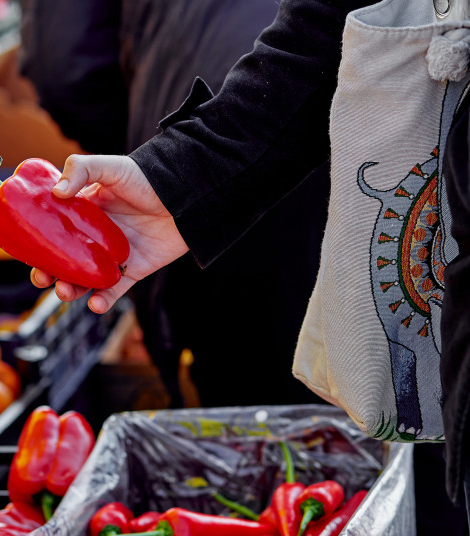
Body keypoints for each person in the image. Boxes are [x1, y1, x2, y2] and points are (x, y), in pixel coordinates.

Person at [25, 0, 470, 533]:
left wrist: (157, 148)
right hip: (358, 194)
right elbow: (325, 30)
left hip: (296, 198)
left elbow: (66, 64)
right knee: (401, 462)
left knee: (283, 459)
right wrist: (178, 178)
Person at [19, 0, 327, 409]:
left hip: (203, 114)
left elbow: (64, 67)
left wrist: (148, 159)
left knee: (250, 412)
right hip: (348, 131)